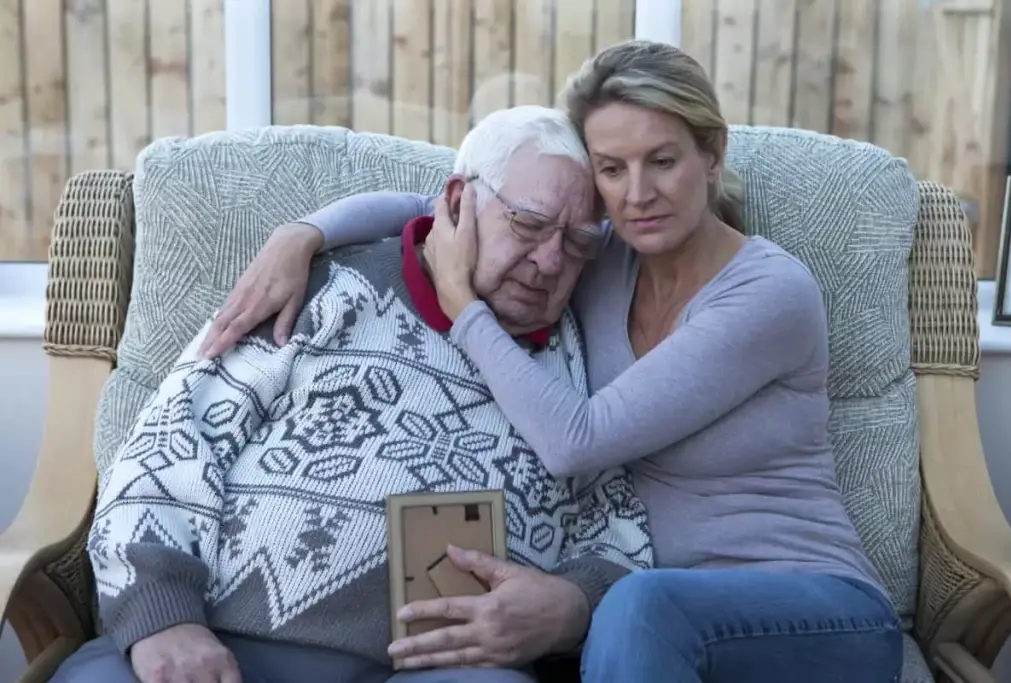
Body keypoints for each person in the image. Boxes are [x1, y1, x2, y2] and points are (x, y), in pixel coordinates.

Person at [201, 40, 907, 682]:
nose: (637, 194)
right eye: (612, 169)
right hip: (654, 631)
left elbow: (579, 439)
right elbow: (445, 202)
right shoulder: (599, 255)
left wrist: (461, 303)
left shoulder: (769, 293)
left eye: (662, 160)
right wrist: (304, 234)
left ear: (713, 155)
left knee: (637, 606)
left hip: (815, 612)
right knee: (626, 615)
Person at [55, 105, 654, 683]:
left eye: (577, 243)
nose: (550, 261)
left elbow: (621, 533)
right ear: (456, 202)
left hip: (444, 666)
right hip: (223, 642)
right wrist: (163, 617)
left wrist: (573, 605)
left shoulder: (584, 356)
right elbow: (168, 442)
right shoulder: (324, 289)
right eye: (527, 224)